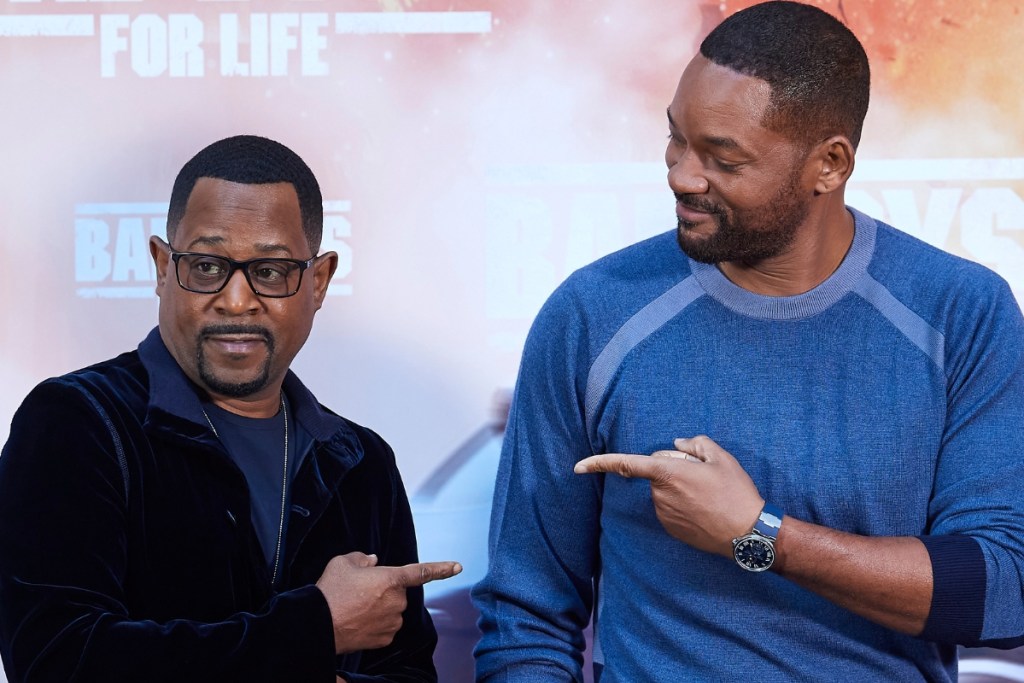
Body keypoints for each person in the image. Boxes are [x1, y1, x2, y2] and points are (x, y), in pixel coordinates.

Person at [472, 2, 1024, 681]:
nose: (682, 175)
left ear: (829, 164)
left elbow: (1004, 588)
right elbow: (525, 614)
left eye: (723, 158)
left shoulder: (961, 311)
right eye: (676, 139)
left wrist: (759, 534)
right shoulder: (593, 313)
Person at [0, 135, 461, 683]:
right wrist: (314, 627)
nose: (237, 301)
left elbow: (406, 673)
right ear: (162, 267)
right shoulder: (77, 422)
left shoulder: (362, 463)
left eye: (270, 271)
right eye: (206, 265)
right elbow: (56, 661)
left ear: (317, 282)